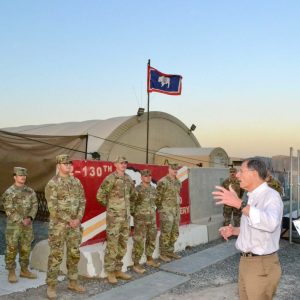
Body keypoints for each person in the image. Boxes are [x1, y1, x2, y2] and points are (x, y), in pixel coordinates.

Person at [213, 158, 283, 300]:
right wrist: (234, 231)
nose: (237, 175)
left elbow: (270, 224)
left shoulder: (271, 196)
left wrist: (239, 204)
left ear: (254, 173)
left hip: (261, 265)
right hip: (246, 263)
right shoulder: (251, 197)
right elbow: (254, 228)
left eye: (241, 171)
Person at [45, 154, 86, 299]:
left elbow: (82, 201)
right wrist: (69, 220)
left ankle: (73, 282)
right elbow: (53, 208)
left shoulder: (76, 182)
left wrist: (78, 218)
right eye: (65, 163)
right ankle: (51, 286)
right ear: (59, 166)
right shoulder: (53, 183)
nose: (68, 166)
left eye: (69, 163)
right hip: (59, 226)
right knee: (56, 255)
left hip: (74, 226)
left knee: (74, 254)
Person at [96, 156, 136, 284]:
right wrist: (111, 208)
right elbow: (100, 195)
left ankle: (118, 269)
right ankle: (110, 272)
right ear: (115, 165)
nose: (124, 165)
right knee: (112, 244)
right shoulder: (111, 178)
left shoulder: (128, 179)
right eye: (121, 163)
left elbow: (133, 196)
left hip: (125, 218)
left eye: (125, 163)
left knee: (123, 244)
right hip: (114, 217)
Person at [2, 167, 38, 283]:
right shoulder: (9, 192)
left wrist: (30, 217)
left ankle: (24, 270)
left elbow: (35, 205)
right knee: (11, 248)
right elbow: (9, 210)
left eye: (24, 175)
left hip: (27, 225)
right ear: (15, 177)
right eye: (20, 175)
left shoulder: (30, 191)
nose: (23, 177)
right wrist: (21, 220)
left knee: (26, 248)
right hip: (14, 226)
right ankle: (11, 271)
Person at [131, 169, 160, 274]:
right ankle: (136, 263)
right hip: (141, 220)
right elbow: (131, 204)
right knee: (139, 241)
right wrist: (137, 215)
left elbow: (156, 202)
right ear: (141, 177)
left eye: (149, 176)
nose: (148, 177)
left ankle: (149, 259)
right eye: (145, 176)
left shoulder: (153, 189)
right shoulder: (137, 190)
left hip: (152, 219)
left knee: (151, 238)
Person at [156, 163, 182, 262]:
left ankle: (170, 251)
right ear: (169, 169)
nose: (175, 170)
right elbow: (157, 198)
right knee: (166, 232)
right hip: (166, 211)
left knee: (174, 232)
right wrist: (162, 209)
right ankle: (163, 253)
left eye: (177, 169)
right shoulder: (163, 182)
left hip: (175, 211)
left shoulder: (178, 182)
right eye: (173, 169)